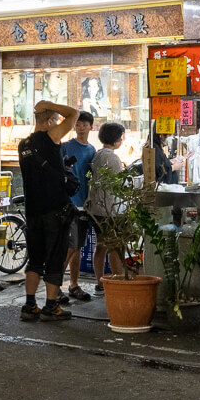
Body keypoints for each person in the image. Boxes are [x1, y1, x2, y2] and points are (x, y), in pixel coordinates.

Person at [17, 100, 79, 321]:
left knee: (35, 260)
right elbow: (74, 112)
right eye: (55, 120)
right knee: (54, 259)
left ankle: (30, 305)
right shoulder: (50, 137)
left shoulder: (23, 145)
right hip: (54, 210)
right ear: (51, 121)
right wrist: (50, 104)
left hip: (32, 212)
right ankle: (51, 307)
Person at [86, 122, 128, 293]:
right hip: (111, 209)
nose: (122, 140)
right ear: (117, 139)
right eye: (121, 137)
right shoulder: (111, 157)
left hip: (98, 208)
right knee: (115, 247)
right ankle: (118, 282)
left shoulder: (97, 154)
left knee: (101, 246)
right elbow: (121, 183)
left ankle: (100, 282)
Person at [61, 111, 95, 302]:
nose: (81, 127)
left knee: (78, 246)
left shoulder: (92, 150)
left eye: (85, 124)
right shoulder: (66, 147)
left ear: (91, 126)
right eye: (78, 124)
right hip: (69, 203)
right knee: (70, 247)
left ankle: (73, 284)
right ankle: (55, 286)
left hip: (84, 204)